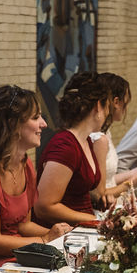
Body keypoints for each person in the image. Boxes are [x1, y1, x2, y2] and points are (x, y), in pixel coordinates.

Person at [0, 85, 71, 272]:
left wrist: (61, 234)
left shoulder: (25, 164)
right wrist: (44, 239)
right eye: (36, 117)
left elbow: (23, 225)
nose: (44, 124)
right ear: (13, 125)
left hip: (19, 258)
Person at [35, 71, 107, 225]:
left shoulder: (86, 140)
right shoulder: (65, 146)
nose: (107, 113)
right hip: (68, 234)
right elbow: (44, 206)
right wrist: (95, 219)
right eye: (106, 107)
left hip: (84, 225)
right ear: (97, 107)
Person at [90, 72, 137, 207]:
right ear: (116, 102)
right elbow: (99, 193)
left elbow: (107, 179)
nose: (126, 108)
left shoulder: (105, 132)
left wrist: (134, 172)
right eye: (125, 103)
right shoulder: (97, 138)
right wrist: (134, 181)